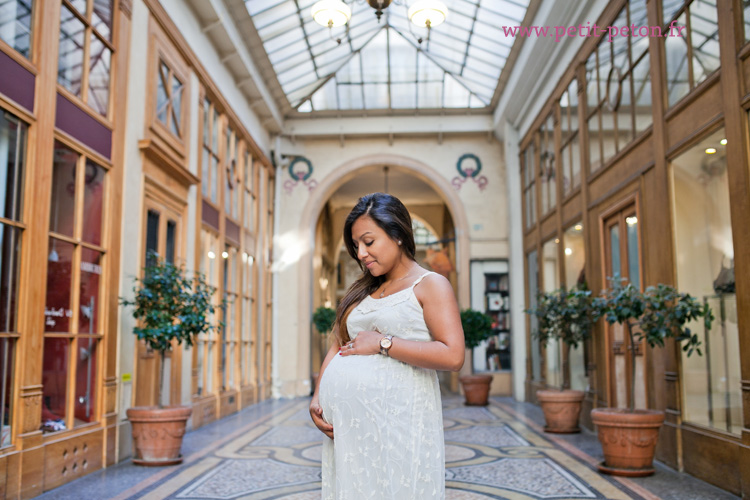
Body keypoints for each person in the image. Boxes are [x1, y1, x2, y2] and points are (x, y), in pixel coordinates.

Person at [309, 192, 465, 499]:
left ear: (397, 235)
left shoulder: (430, 284)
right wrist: (318, 397)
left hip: (399, 422)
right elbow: (339, 344)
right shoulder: (362, 291)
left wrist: (383, 343)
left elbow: (453, 354)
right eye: (355, 246)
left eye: (369, 241)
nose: (362, 253)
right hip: (349, 429)